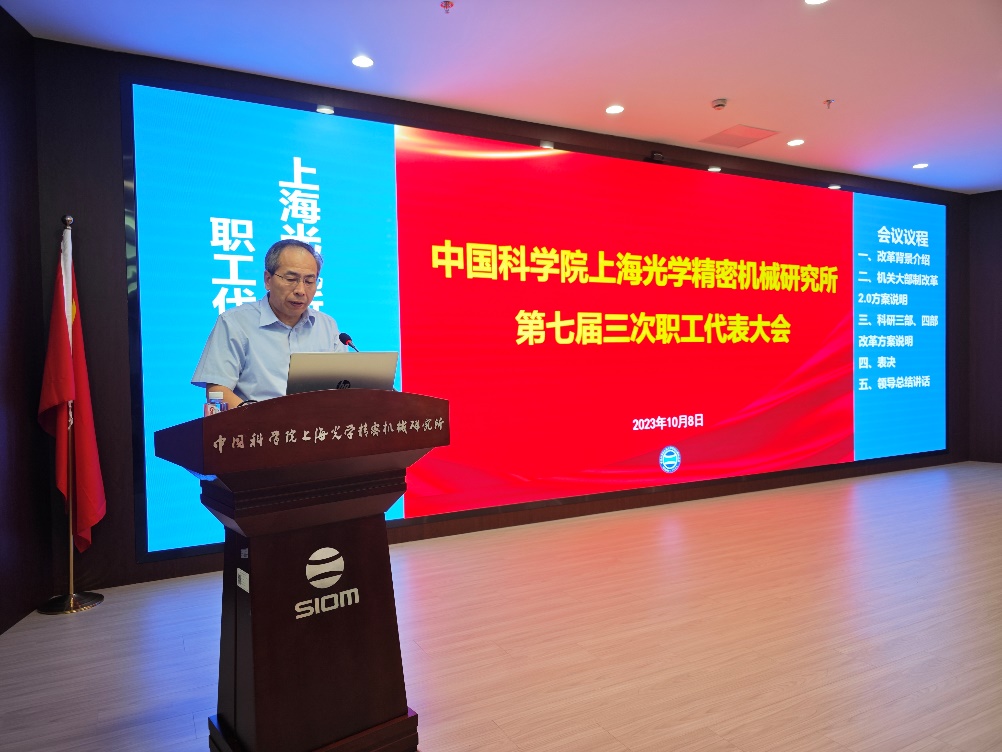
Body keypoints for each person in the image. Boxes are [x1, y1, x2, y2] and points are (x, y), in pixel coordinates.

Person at [192, 239, 346, 408]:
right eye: (291, 279)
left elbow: (343, 387)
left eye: (309, 281)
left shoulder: (327, 326)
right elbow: (218, 389)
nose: (301, 290)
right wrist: (260, 418)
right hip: (255, 423)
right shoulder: (234, 323)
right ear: (267, 279)